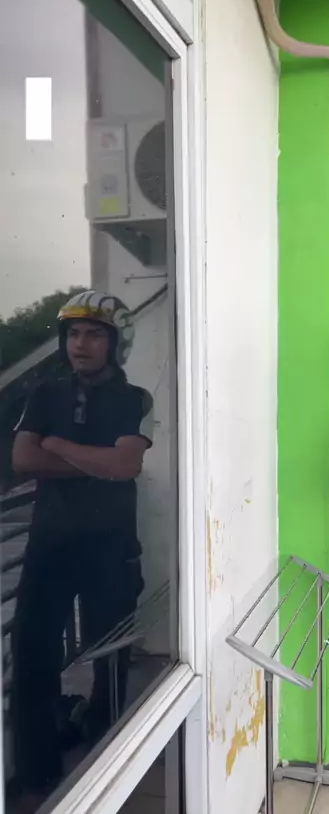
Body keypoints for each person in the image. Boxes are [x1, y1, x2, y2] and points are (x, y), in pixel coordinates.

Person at [9, 290, 153, 812]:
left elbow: (125, 466)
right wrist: (94, 461)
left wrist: (58, 445)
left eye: (94, 334)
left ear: (115, 342)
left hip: (110, 548)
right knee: (31, 658)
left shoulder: (135, 399)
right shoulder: (43, 393)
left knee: (109, 660)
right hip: (49, 546)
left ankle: (108, 763)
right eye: (73, 333)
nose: (81, 344)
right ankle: (35, 776)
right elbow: (23, 460)